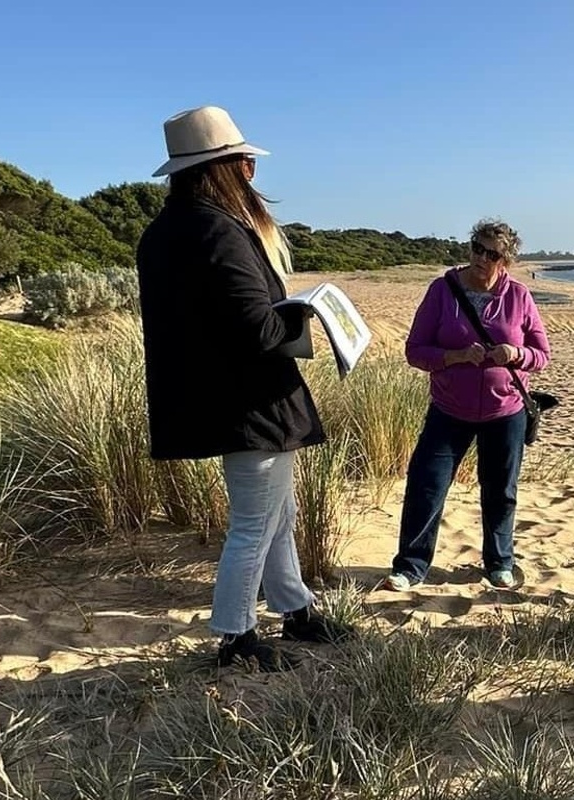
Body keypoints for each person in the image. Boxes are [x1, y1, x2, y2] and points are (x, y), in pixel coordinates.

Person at [136, 106, 349, 671]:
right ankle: (235, 635)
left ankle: (295, 607)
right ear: (226, 167)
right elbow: (255, 326)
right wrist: (307, 314)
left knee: (280, 512)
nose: (253, 167)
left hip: (217, 397)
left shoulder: (164, 230)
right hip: (248, 400)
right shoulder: (216, 227)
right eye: (245, 159)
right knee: (256, 520)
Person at [384, 219, 551, 591]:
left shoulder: (519, 296)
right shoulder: (442, 290)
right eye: (477, 247)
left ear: (505, 261)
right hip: (448, 408)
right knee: (427, 484)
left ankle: (499, 562)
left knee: (500, 490)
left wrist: (516, 353)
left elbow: (542, 355)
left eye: (492, 254)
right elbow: (415, 351)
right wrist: (455, 356)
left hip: (504, 410)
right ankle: (411, 566)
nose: (481, 258)